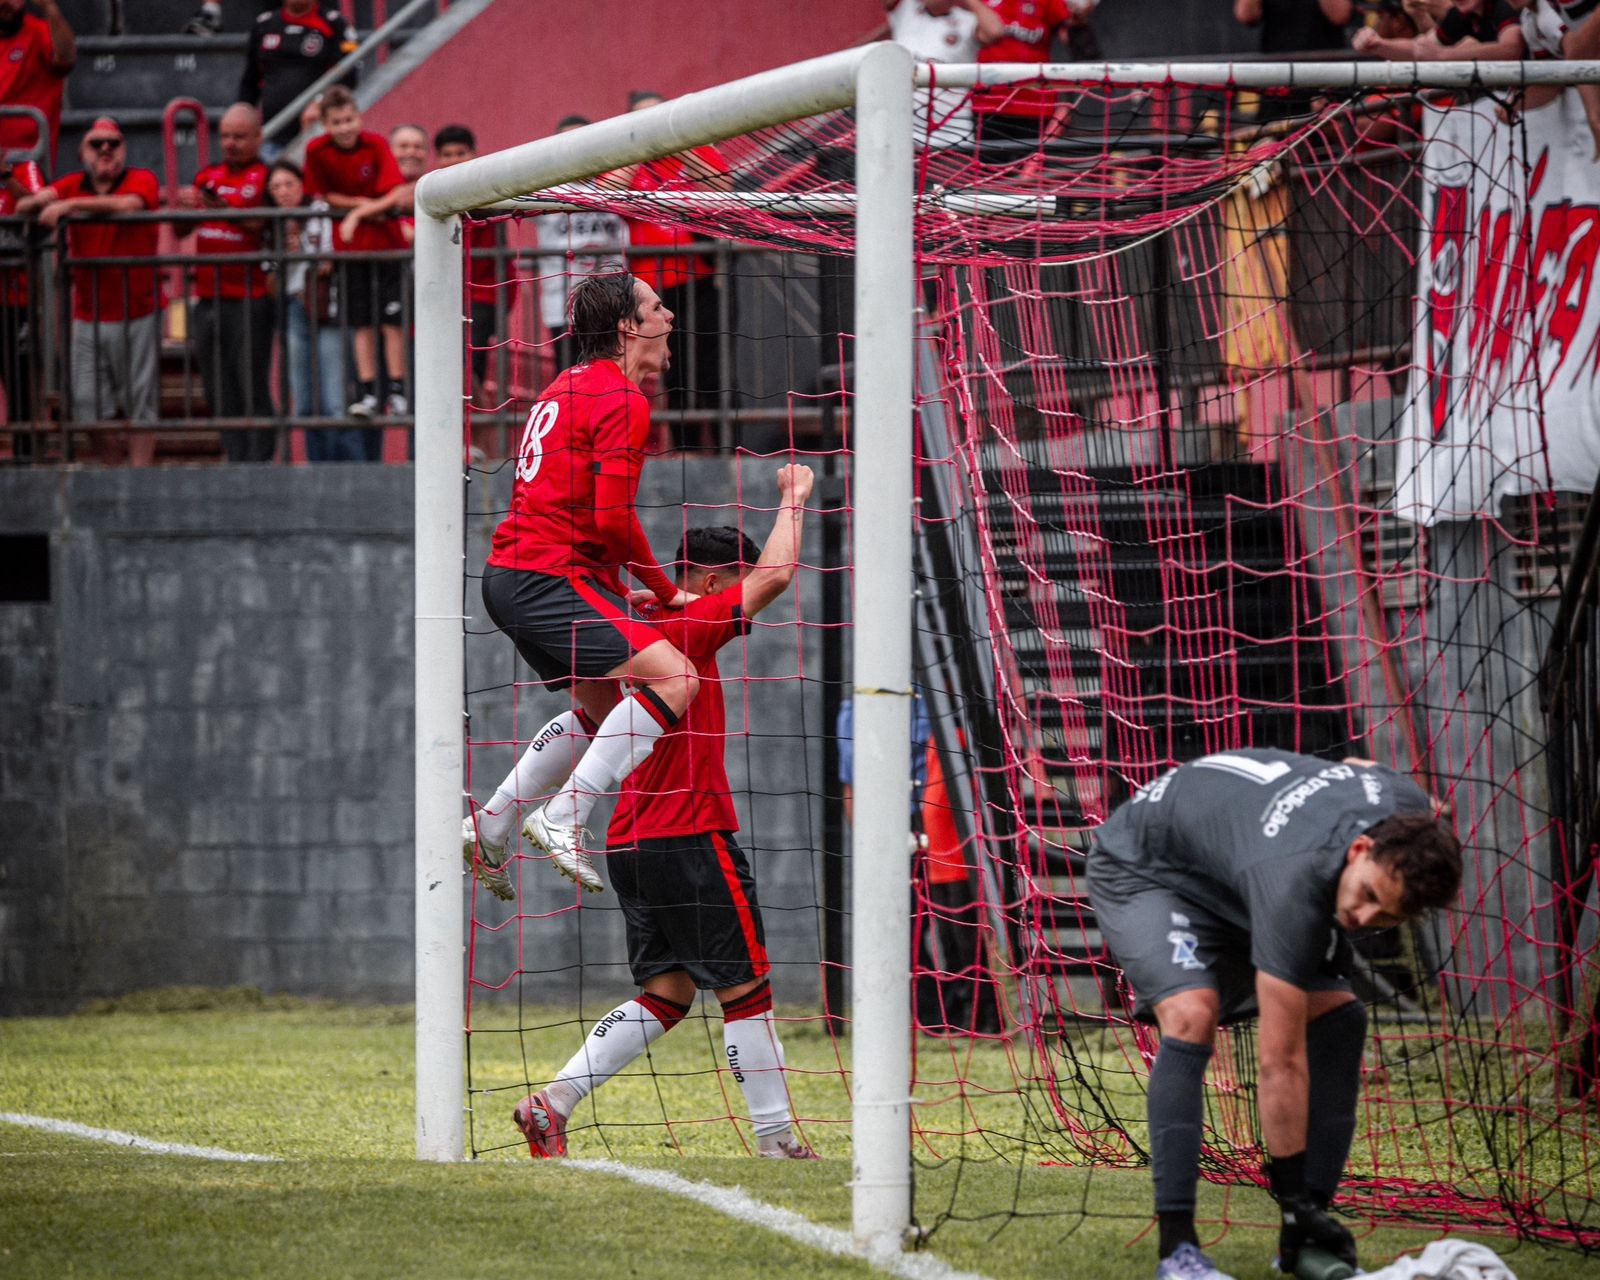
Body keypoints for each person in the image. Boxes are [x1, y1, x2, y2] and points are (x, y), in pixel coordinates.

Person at [510, 465, 820, 1163]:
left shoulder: (626, 630)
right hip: (689, 836)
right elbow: (775, 577)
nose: (739, 597)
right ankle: (777, 1141)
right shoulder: (689, 622)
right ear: (709, 582)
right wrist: (792, 499)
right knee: (747, 989)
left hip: (629, 845)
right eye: (732, 583)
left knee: (668, 993)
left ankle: (551, 1103)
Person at [1085, 749, 1462, 1280]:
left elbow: (1357, 766)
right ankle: (1179, 1251)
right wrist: (1288, 1197)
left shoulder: (1409, 811)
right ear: (1359, 848)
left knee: (1341, 1018)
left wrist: (1302, 1209)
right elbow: (1279, 1064)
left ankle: (1304, 1233)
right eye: (1367, 895)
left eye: (1386, 914)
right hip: (1147, 869)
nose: (1362, 918)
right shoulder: (1293, 883)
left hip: (1234, 873)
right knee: (1193, 1012)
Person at [465, 270, 700, 900]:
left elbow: (567, 507)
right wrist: (664, 589)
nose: (670, 316)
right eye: (657, 307)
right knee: (677, 679)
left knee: (602, 714)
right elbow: (611, 519)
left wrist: (612, 591)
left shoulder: (566, 385)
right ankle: (564, 816)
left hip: (515, 577)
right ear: (628, 327)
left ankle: (492, 823)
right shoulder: (623, 399)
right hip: (544, 579)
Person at [16, 116, 161, 465]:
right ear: (83, 152)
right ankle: (114, 475)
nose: (106, 149)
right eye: (97, 144)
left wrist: (69, 206)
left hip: (136, 312)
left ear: (125, 149)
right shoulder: (72, 183)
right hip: (89, 315)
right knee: (86, 404)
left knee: (141, 404)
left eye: (114, 143)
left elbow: (130, 204)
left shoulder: (141, 179)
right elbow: (26, 205)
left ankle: (137, 479)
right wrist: (25, 190)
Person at [619, 90, 732, 432]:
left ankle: (728, 445)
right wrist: (638, 146)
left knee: (714, 367)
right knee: (672, 368)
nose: (652, 122)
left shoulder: (693, 149)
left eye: (659, 114)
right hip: (652, 288)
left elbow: (723, 188)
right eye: (643, 117)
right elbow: (612, 195)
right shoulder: (624, 158)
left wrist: (677, 142)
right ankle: (687, 447)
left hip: (700, 277)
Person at [303, 86, 407, 425]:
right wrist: (362, 206)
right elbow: (324, 194)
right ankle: (368, 392)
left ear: (359, 117)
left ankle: (397, 391)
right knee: (361, 322)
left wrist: (356, 215)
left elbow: (395, 193)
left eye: (349, 119)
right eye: (337, 122)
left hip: (388, 246)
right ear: (326, 125)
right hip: (350, 250)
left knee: (392, 322)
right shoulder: (317, 150)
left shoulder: (375, 144)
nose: (345, 127)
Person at [178, 102, 275, 463]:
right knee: (217, 387)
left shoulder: (266, 176)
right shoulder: (207, 175)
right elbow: (180, 230)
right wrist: (187, 209)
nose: (231, 143)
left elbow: (262, 224)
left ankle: (260, 462)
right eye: (226, 136)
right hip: (208, 297)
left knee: (251, 383)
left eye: (239, 137)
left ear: (258, 138)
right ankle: (235, 458)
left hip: (250, 298)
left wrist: (221, 209)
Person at [267, 159, 363, 462]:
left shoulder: (320, 211)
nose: (283, 192)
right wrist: (285, 254)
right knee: (305, 398)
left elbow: (333, 257)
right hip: (294, 305)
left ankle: (344, 468)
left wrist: (313, 256)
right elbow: (271, 284)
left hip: (328, 306)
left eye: (289, 184)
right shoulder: (272, 223)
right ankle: (316, 466)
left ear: (302, 184)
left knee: (335, 396)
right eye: (276, 187)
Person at [434, 123, 528, 421]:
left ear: (474, 154)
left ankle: (471, 427)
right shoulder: (431, 196)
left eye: (460, 153)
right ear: (438, 159)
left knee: (468, 366)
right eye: (447, 154)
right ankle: (463, 425)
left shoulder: (488, 190)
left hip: (483, 295)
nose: (454, 160)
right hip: (446, 296)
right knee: (447, 368)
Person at [532, 115, 626, 378]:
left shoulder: (615, 185)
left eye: (583, 140)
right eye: (568, 141)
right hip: (565, 306)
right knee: (572, 379)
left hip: (613, 304)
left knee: (612, 378)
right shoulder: (545, 188)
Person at [874, 0, 1001, 151]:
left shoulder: (968, 20)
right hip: (901, 132)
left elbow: (994, 32)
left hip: (951, 134)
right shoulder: (906, 8)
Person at [238, 1, 357, 150]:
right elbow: (250, 79)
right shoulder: (264, 24)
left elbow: (349, 75)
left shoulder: (335, 23)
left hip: (318, 134)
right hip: (271, 135)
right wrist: (242, 113)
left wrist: (321, 102)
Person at [970, 0, 1077, 166]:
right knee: (987, 173)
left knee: (1031, 175)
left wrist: (1079, 16)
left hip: (1034, 105)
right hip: (989, 104)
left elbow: (1075, 41)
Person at [0, 0, 75, 173]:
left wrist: (50, 8)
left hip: (27, 164)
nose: (5, 2)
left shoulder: (40, 31)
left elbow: (66, 59)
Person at [0, 156, 45, 442]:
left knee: (18, 380)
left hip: (15, 298)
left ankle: (25, 455)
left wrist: (6, 177)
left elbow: (37, 204)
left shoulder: (24, 167)